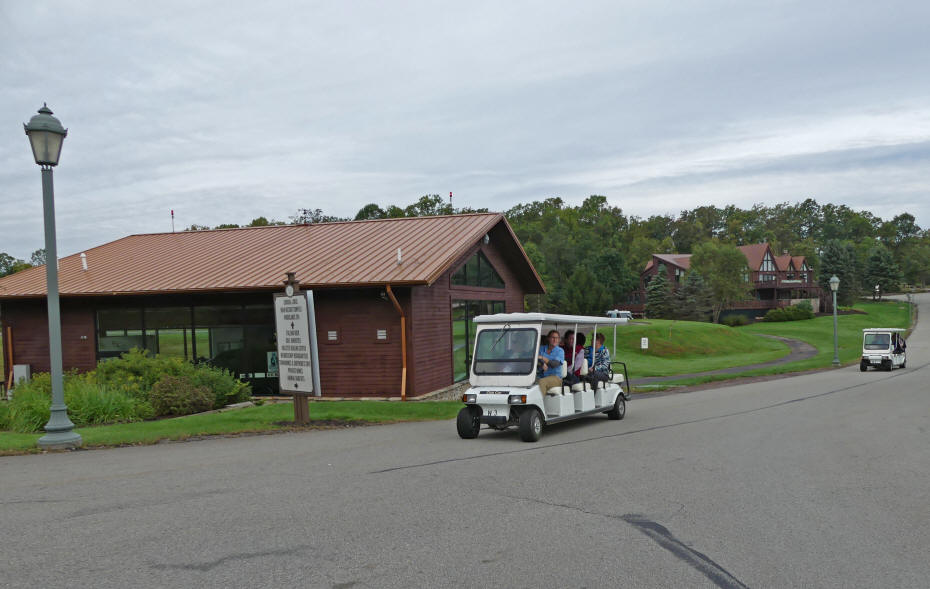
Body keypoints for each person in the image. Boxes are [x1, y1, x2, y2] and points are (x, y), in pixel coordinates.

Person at [537, 330, 565, 394]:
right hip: (541, 376)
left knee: (542, 382)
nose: (555, 340)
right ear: (548, 338)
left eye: (557, 338)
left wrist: (542, 358)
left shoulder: (560, 351)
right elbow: (535, 359)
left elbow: (554, 364)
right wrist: (542, 363)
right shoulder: (541, 348)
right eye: (553, 337)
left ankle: (541, 403)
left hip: (555, 378)